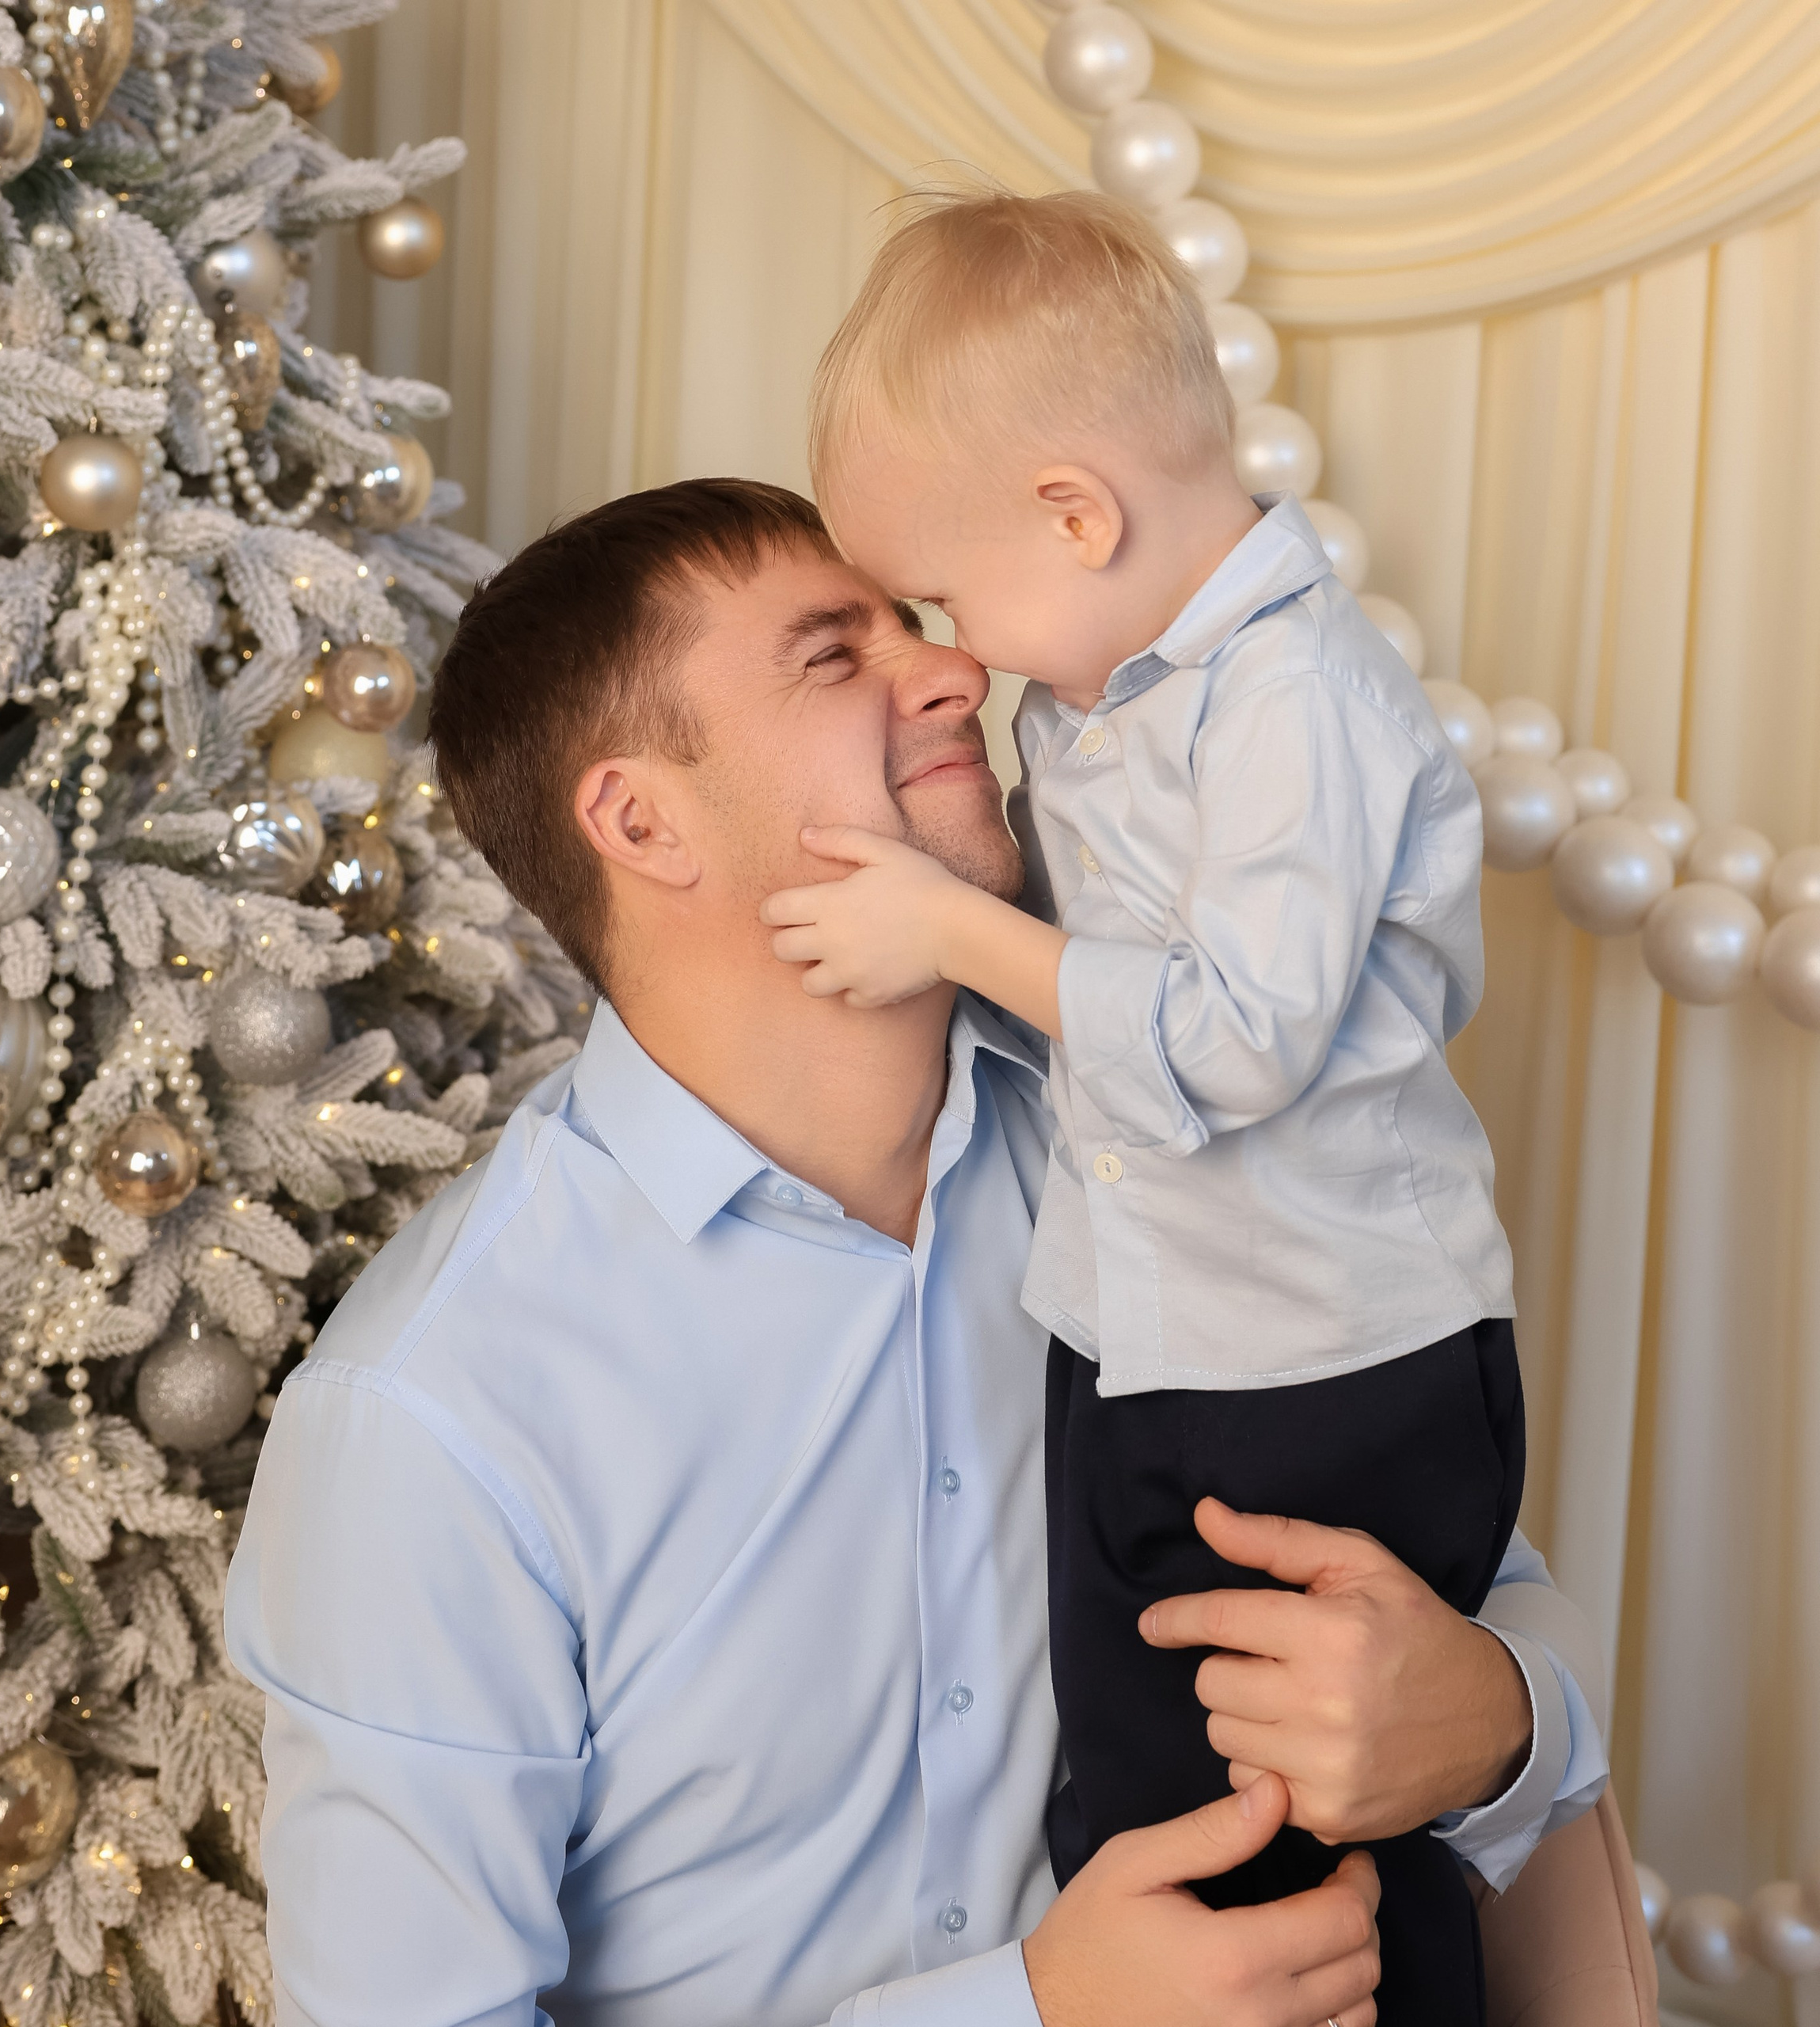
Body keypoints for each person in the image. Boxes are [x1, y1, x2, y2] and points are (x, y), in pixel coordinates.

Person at [224, 477, 1608, 2027]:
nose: (957, 670)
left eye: (920, 624)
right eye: (835, 655)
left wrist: (1501, 1718)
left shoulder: (1164, 1147)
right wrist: (1034, 2012)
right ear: (640, 822)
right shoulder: (432, 1419)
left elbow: (1459, 1561)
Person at [765, 192, 1541, 2022]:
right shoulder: (1097, 699)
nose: (959, 655)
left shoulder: (1295, 699)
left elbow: (1235, 1037)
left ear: (1075, 516)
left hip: (1322, 1351)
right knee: (1132, 1783)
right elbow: (1082, 998)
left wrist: (945, 925)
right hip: (1150, 1328)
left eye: (949, 600)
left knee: (1284, 1829)